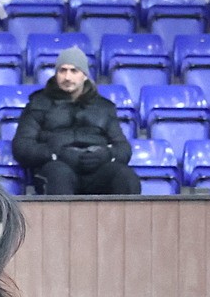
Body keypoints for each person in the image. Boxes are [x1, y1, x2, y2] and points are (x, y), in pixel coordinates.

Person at [12, 47, 142, 195]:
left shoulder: (104, 107)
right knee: (59, 175)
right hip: (56, 166)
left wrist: (106, 155)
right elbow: (22, 146)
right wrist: (55, 154)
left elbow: (123, 148)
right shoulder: (38, 104)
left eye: (74, 71)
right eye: (62, 70)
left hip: (97, 169)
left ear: (84, 75)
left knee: (126, 177)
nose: (67, 77)